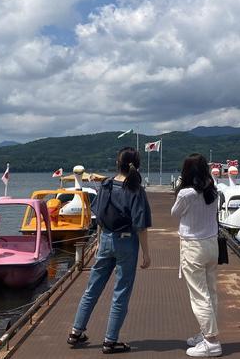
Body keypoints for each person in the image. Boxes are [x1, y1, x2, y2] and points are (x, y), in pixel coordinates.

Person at [68, 147, 152, 354]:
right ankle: (110, 340)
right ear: (137, 165)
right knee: (121, 292)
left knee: (92, 288)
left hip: (105, 239)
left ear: (118, 164)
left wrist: (98, 241)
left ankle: (76, 332)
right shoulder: (135, 190)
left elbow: (99, 216)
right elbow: (140, 225)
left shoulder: (105, 184)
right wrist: (146, 253)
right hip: (126, 242)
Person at [171, 153, 222, 357]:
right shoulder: (213, 191)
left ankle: (211, 342)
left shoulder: (187, 194)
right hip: (212, 245)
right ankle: (207, 334)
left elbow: (175, 213)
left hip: (194, 246)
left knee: (199, 295)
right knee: (210, 292)